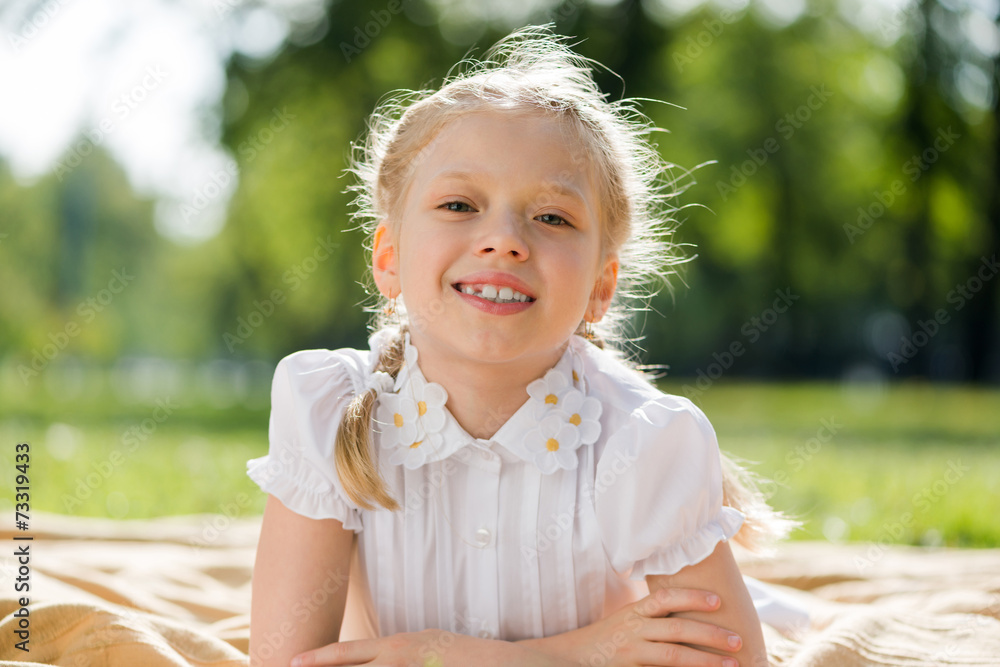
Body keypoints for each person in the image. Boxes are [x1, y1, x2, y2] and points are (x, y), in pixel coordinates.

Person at [247, 23, 803, 667]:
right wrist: (579, 652)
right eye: (459, 205)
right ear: (389, 258)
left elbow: (732, 660)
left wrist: (449, 657)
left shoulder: (641, 442)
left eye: (551, 217)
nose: (504, 239)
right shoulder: (328, 411)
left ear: (601, 286)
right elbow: (288, 663)